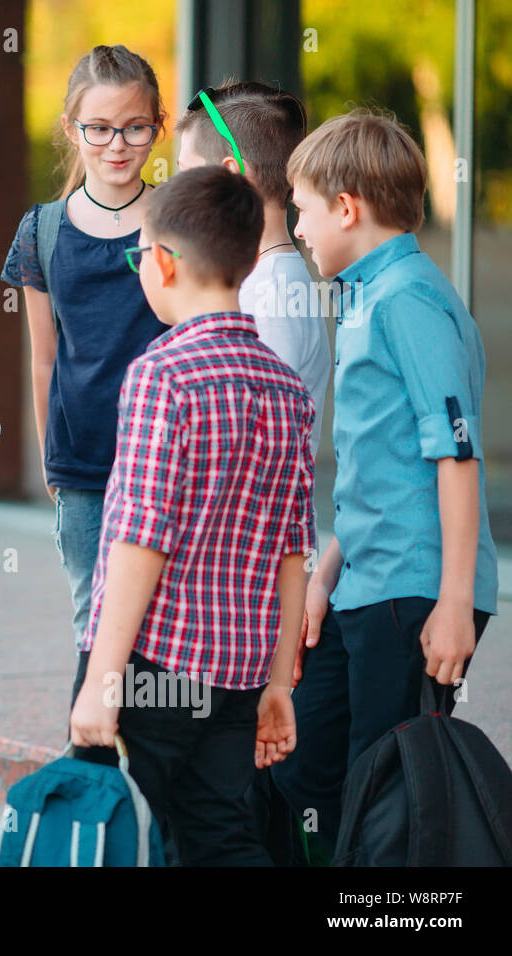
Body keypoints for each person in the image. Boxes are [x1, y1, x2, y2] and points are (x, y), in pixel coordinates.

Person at [69, 166, 315, 866]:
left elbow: (141, 541)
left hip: (150, 664)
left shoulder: (163, 374)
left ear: (165, 262)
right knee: (222, 838)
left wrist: (102, 681)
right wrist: (276, 684)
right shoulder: (285, 387)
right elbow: (293, 546)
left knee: (122, 838)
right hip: (237, 674)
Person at [270, 111, 499, 856]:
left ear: (347, 208)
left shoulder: (408, 300)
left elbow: (455, 457)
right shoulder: (366, 294)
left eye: (302, 209)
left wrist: (456, 604)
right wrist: (325, 573)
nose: (298, 230)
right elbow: (378, 474)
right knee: (305, 761)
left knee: (387, 792)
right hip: (364, 583)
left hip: (414, 594)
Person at [0, 45, 169, 698]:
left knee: (165, 627)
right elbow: (45, 355)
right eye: (99, 128)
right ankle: (97, 766)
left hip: (164, 460)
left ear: (155, 127)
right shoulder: (41, 232)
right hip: (83, 467)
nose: (117, 144)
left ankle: (157, 766)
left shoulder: (177, 220)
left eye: (134, 127)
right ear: (72, 129)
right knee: (93, 621)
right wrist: (48, 455)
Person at [176, 80, 330, 457]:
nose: (176, 188)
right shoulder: (258, 278)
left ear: (230, 175)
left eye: (186, 172)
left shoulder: (275, 293)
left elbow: (258, 432)